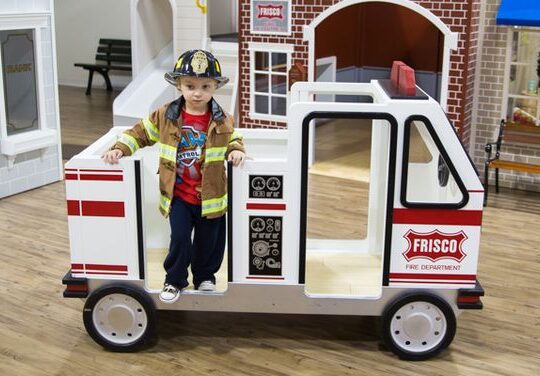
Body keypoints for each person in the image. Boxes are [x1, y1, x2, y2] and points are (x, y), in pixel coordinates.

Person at [102, 50, 246, 303]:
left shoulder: (222, 119)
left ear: (215, 87)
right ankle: (174, 280)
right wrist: (120, 148)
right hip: (178, 195)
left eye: (205, 86)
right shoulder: (166, 115)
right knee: (179, 239)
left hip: (211, 196)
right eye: (190, 86)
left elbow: (234, 138)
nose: (197, 93)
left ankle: (205, 277)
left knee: (209, 242)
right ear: (178, 84)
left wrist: (235, 151)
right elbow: (140, 133)